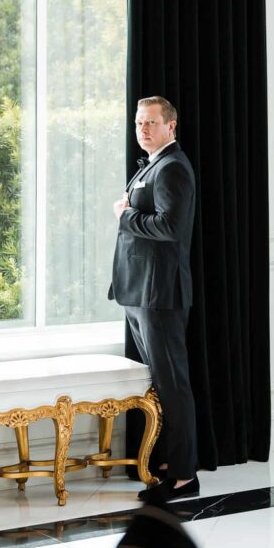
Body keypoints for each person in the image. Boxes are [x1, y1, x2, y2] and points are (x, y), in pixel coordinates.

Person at [109, 95, 199, 503]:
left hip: (159, 294)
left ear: (170, 127)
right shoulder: (154, 164)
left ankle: (184, 476)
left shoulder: (173, 168)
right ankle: (166, 462)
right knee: (161, 385)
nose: (143, 130)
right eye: (138, 123)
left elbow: (170, 228)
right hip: (140, 291)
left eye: (150, 123)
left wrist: (125, 215)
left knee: (173, 385)